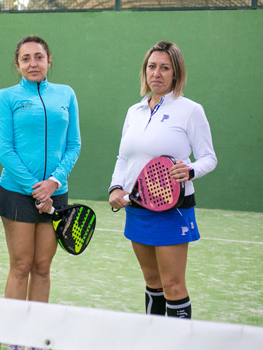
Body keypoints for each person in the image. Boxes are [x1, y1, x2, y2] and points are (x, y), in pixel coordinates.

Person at [108, 41, 217, 319]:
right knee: (152, 283)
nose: (156, 73)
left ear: (176, 73)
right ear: (145, 72)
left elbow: (208, 157)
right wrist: (116, 187)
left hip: (173, 211)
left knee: (173, 284)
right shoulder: (134, 111)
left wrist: (190, 170)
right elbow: (123, 158)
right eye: (151, 67)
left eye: (164, 68)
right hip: (136, 210)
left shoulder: (191, 110)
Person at [0, 35, 80, 350]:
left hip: (56, 194)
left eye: (39, 57)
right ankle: (15, 339)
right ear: (17, 64)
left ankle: (35, 340)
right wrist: (35, 188)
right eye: (26, 58)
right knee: (21, 265)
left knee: (43, 266)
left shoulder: (66, 94)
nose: (33, 63)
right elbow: (4, 150)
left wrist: (54, 183)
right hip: (16, 192)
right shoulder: (7, 97)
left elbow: (74, 144)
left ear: (49, 60)